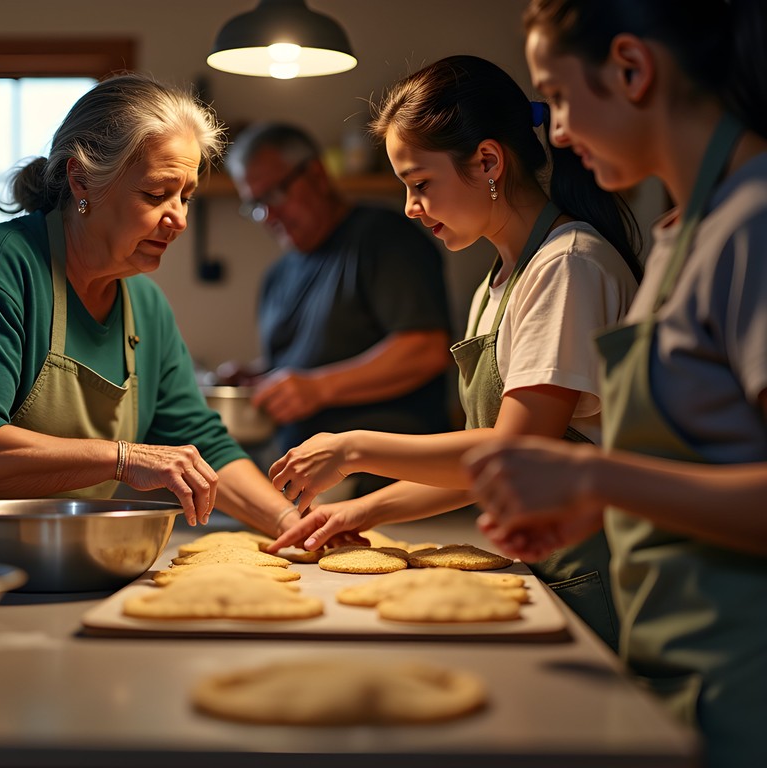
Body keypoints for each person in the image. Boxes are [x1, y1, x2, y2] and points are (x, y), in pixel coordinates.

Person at [462, 2, 767, 765]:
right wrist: (602, 498)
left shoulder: (754, 224)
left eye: (558, 97)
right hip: (672, 667)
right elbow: (702, 460)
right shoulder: (678, 237)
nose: (556, 131)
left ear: (632, 68)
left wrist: (591, 473)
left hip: (744, 684)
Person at [269, 55, 644, 649]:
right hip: (549, 569)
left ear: (488, 162)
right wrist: (362, 514)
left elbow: (517, 449)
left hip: (595, 578)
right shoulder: (498, 282)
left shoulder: (567, 266)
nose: (411, 207)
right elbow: (482, 473)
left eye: (420, 184)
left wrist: (354, 448)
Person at [0, 73, 304, 561]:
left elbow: (202, 445)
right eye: (156, 194)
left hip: (53, 567)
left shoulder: (146, 309)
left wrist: (292, 522)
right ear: (81, 179)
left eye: (187, 196)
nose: (177, 218)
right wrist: (124, 458)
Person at [223, 122, 453, 498]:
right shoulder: (278, 275)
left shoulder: (383, 237)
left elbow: (425, 349)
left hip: (384, 482)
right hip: (302, 477)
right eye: (256, 205)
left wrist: (318, 388)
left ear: (316, 174)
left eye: (277, 194)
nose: (269, 215)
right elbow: (308, 360)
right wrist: (259, 379)